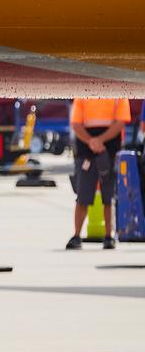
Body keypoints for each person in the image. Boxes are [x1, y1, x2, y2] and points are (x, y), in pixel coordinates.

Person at [66, 97, 129, 249]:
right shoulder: (83, 94)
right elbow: (76, 123)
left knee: (109, 196)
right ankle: (77, 235)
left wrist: (95, 141)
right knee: (83, 195)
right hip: (88, 152)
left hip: (107, 151)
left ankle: (108, 236)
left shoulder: (119, 94)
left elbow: (120, 122)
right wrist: (95, 142)